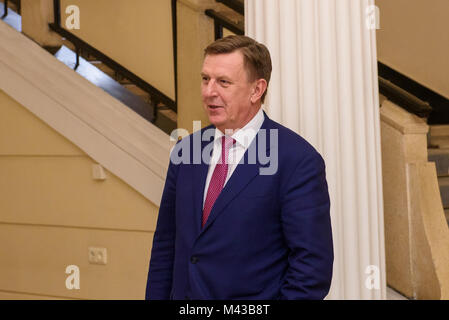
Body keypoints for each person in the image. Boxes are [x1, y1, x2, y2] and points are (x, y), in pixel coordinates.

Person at [145, 35, 333, 300]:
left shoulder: (296, 160)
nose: (209, 91)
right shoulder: (186, 151)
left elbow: (311, 269)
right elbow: (166, 244)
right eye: (205, 79)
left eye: (223, 82)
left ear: (257, 90)